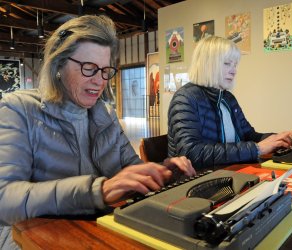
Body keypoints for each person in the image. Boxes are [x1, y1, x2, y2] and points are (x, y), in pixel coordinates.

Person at [0, 15, 195, 249]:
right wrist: (97, 191)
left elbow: (132, 170)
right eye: (89, 68)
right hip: (30, 239)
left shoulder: (106, 114)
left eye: (105, 71)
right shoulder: (18, 109)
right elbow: (5, 200)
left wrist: (163, 173)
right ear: (58, 65)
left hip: (95, 232)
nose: (100, 81)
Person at [167, 36, 292, 169]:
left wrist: (278, 139)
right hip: (200, 178)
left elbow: (249, 135)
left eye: (235, 64)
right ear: (207, 64)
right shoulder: (185, 98)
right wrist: (257, 149)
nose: (234, 70)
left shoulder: (228, 98)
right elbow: (191, 153)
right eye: (227, 63)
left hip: (230, 172)